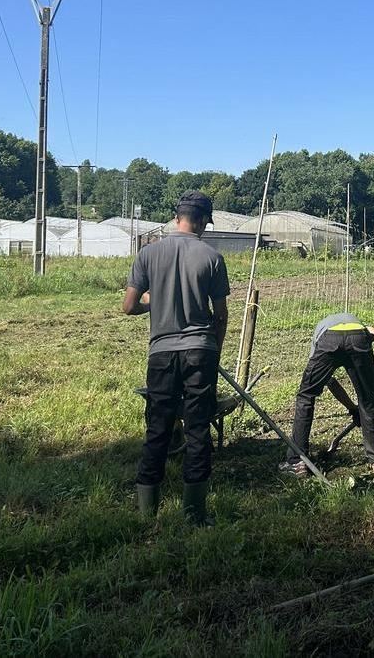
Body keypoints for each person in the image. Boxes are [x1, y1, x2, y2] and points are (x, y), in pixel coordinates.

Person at [123, 190, 230, 526]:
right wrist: (215, 347)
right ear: (200, 221)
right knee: (198, 430)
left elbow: (127, 307)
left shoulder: (148, 254)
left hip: (162, 354)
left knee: (158, 429)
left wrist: (154, 304)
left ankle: (147, 513)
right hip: (201, 351)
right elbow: (221, 315)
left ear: (177, 217)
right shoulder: (211, 258)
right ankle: (195, 515)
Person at [280, 313, 374, 479]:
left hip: (330, 339)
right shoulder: (360, 326)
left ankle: (296, 462)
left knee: (306, 396)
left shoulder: (321, 332)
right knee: (368, 400)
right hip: (358, 339)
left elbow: (330, 382)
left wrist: (352, 408)